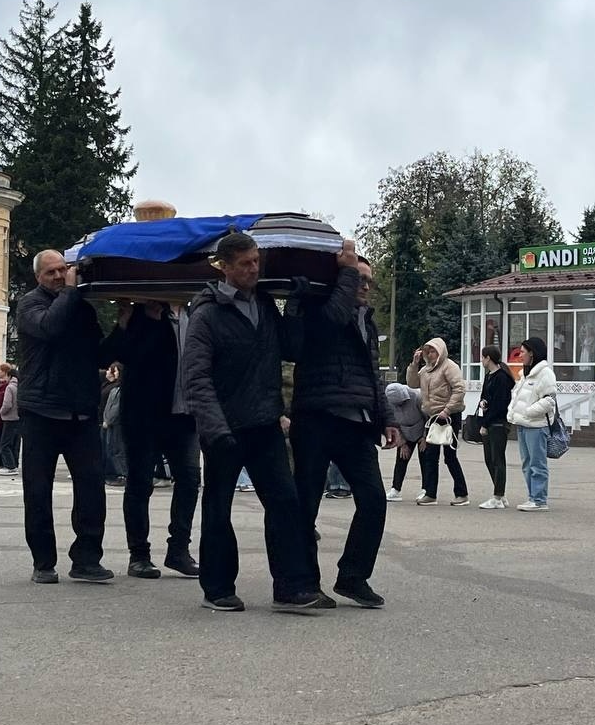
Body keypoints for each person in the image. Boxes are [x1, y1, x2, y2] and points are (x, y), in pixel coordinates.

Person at [182, 231, 322, 613]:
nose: (253, 269)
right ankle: (218, 589)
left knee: (285, 503)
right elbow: (196, 377)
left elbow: (290, 349)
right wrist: (216, 429)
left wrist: (295, 308)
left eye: (256, 261)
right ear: (224, 267)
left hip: (264, 423)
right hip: (225, 429)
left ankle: (291, 588)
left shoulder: (264, 304)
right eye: (245, 264)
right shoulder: (207, 314)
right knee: (218, 508)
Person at [287, 245, 399, 609]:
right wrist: (345, 273)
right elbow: (329, 325)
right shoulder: (319, 307)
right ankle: (305, 582)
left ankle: (353, 576)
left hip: (357, 423)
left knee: (374, 500)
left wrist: (387, 418)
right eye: (357, 278)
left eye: (368, 281)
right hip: (316, 417)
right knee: (306, 504)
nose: (364, 286)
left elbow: (373, 375)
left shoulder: (367, 321)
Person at [15, 250, 116, 585]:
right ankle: (43, 561)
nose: (60, 276)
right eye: (51, 272)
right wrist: (71, 292)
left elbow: (99, 354)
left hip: (80, 410)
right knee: (38, 490)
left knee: (92, 487)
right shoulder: (30, 304)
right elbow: (50, 328)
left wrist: (124, 327)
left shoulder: (81, 307)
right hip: (41, 411)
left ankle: (87, 559)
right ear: (38, 277)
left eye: (63, 269)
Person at [101, 300, 201, 579]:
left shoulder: (197, 312)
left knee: (190, 479)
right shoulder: (142, 313)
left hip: (184, 414)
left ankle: (179, 549)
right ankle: (139, 555)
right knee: (140, 482)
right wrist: (138, 322)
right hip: (144, 415)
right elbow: (116, 354)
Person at [407, 338, 468, 506]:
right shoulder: (425, 370)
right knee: (430, 456)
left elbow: (459, 389)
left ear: (440, 352)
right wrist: (414, 364)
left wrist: (447, 410)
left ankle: (462, 493)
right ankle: (430, 493)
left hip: (449, 416)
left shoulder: (449, 367)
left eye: (433, 351)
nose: (430, 354)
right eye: (428, 351)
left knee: (450, 456)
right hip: (433, 416)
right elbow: (412, 383)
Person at [507, 337, 557, 511]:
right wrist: (513, 413)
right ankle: (532, 497)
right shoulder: (525, 374)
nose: (520, 355)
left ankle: (539, 499)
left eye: (523, 352)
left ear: (532, 353)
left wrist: (528, 411)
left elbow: (549, 400)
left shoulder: (545, 373)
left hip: (536, 426)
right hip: (523, 424)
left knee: (537, 464)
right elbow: (516, 396)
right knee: (527, 463)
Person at [478, 344, 515, 510]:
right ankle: (500, 493)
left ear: (488, 358)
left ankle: (497, 496)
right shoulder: (489, 376)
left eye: (482, 357)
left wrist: (485, 423)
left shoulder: (502, 377)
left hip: (498, 423)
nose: (481, 360)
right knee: (489, 459)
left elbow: (500, 404)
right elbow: (486, 396)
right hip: (488, 420)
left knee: (498, 459)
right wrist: (483, 403)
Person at [384, 382, 425, 502]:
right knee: (401, 459)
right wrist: (402, 442)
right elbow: (393, 423)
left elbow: (427, 417)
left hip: (421, 429)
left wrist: (425, 437)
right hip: (404, 431)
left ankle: (426, 490)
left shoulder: (417, 396)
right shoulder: (388, 403)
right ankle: (395, 489)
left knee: (425, 461)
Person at [99, 363, 127, 486]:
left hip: (115, 424)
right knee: (110, 448)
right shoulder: (112, 388)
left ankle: (122, 474)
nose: (113, 373)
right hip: (107, 422)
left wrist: (108, 420)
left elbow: (115, 408)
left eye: (115, 371)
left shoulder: (119, 389)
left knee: (117, 449)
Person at [0, 363, 21, 476]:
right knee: (15, 444)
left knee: (5, 444)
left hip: (9, 418)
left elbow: (7, 404)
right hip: (18, 418)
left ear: (9, 376)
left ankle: (9, 466)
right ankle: (14, 465)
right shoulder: (20, 386)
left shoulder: (9, 387)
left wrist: (1, 412)